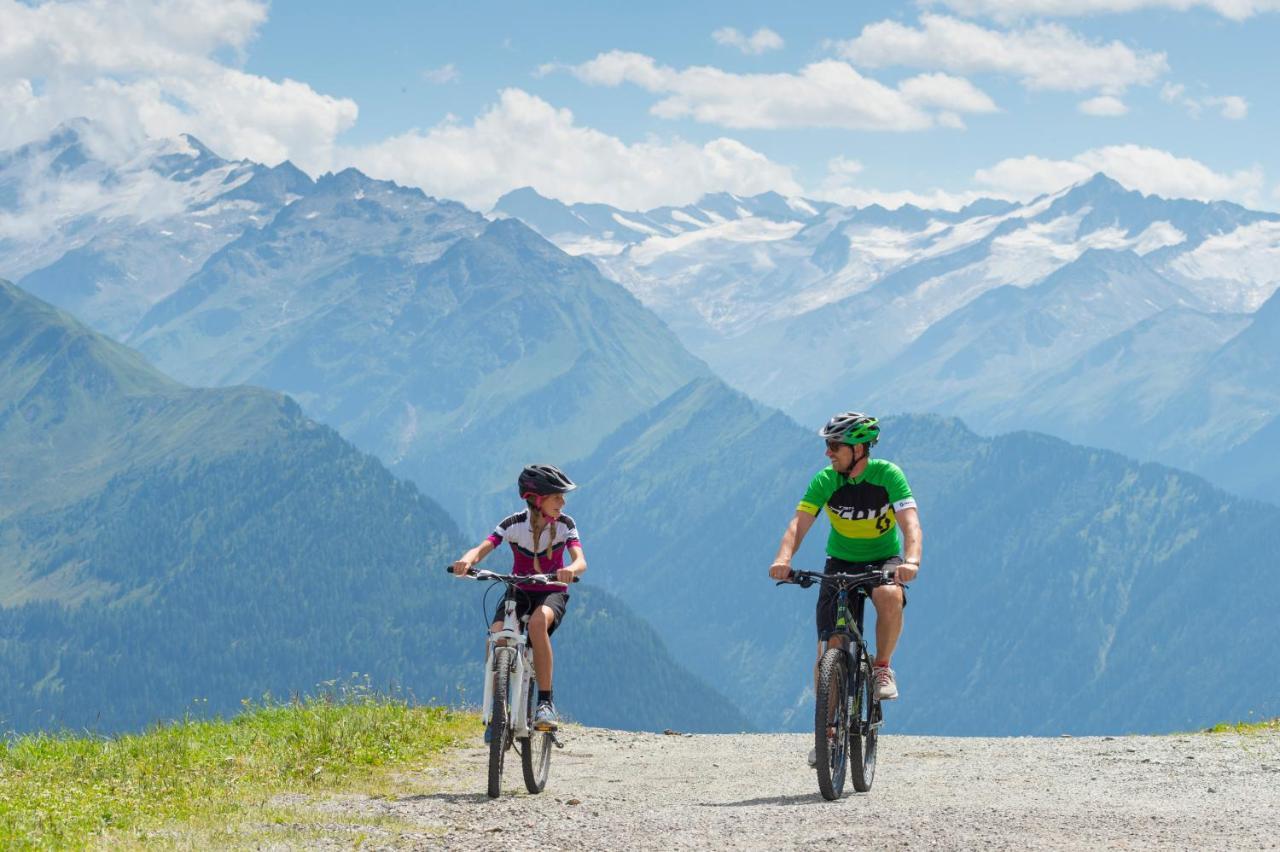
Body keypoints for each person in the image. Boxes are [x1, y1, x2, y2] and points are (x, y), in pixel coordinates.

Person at [767, 412, 922, 766]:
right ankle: (829, 732)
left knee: (889, 594)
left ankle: (882, 667)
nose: (828, 453)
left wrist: (910, 561)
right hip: (839, 561)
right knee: (831, 646)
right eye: (827, 445)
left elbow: (911, 524)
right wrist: (783, 557)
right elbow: (798, 523)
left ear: (859, 449)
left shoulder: (887, 476)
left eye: (835, 445)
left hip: (883, 558)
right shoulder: (826, 480)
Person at [451, 463, 587, 732]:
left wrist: (569, 571)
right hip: (519, 590)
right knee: (496, 634)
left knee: (537, 625)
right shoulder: (513, 524)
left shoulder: (565, 525)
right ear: (537, 500)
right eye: (556, 496)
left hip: (551, 592)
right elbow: (482, 548)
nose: (563, 502)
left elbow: (580, 560)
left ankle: (545, 703)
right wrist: (466, 561)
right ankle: (496, 706)